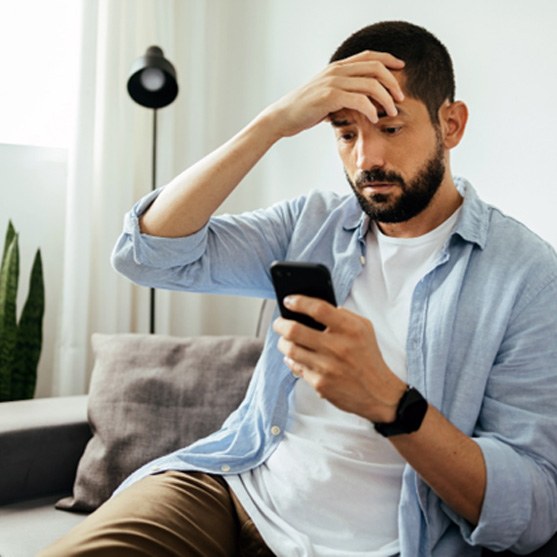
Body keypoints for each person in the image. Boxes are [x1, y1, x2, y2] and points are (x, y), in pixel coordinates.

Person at [41, 20, 557, 557]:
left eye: (391, 128)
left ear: (451, 124)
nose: (366, 160)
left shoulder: (528, 277)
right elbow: (147, 254)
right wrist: (273, 123)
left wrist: (390, 403)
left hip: (389, 541)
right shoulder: (311, 225)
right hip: (232, 486)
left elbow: (533, 506)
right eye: (346, 133)